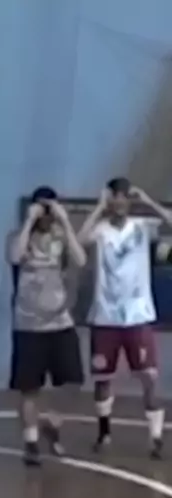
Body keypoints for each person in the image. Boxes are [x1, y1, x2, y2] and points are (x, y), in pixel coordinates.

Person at [78, 178, 172, 458]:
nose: (119, 202)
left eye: (123, 197)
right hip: (105, 317)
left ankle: (155, 438)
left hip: (138, 316)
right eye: (114, 197)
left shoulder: (142, 226)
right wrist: (98, 208)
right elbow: (79, 242)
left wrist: (148, 201)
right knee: (103, 379)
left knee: (148, 377)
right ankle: (104, 433)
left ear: (129, 200)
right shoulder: (100, 229)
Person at [6, 187, 86, 466]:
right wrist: (29, 221)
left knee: (73, 380)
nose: (45, 215)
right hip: (28, 325)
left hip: (60, 322)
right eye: (41, 209)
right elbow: (14, 257)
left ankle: (51, 420)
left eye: (49, 209)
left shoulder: (61, 237)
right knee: (29, 388)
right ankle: (31, 443)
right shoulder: (19, 237)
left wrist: (65, 221)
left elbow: (80, 259)